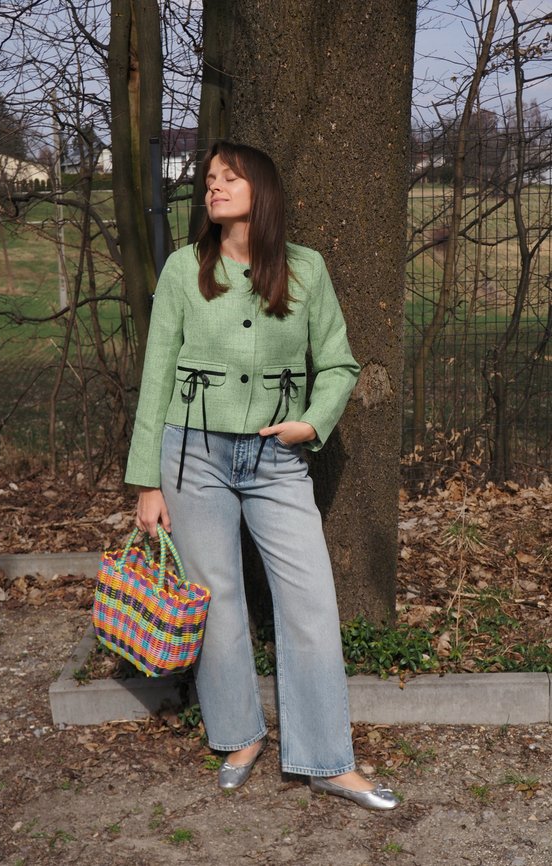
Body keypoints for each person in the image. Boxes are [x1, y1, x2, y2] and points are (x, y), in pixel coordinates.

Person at [125, 140, 400, 811]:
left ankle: (328, 761)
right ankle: (239, 736)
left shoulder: (305, 270)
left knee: (310, 601)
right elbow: (157, 374)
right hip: (192, 457)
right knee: (215, 600)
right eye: (209, 179)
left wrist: (312, 422)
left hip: (277, 460)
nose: (213, 187)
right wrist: (147, 482)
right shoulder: (185, 269)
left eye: (229, 178)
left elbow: (338, 363)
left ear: (262, 192)